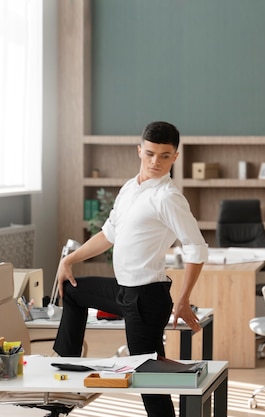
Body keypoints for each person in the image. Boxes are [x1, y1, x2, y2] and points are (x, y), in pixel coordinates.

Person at [53, 121, 208, 417]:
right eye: (150, 153)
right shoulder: (129, 187)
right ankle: (66, 371)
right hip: (122, 289)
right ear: (139, 150)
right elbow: (108, 234)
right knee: (74, 292)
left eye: (164, 155)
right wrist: (69, 260)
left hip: (147, 299)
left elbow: (196, 248)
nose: (155, 162)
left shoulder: (168, 198)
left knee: (149, 381)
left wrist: (184, 297)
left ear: (175, 156)